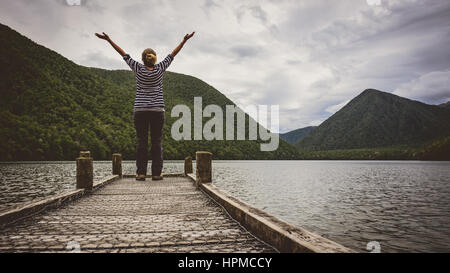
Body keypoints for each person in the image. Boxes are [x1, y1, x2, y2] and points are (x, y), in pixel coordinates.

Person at [95, 31, 195, 181]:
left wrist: (108, 39)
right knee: (156, 142)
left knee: (142, 142)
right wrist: (184, 40)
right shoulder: (160, 68)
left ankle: (141, 173)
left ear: (142, 59)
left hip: (140, 110)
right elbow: (173, 54)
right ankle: (156, 174)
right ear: (155, 59)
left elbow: (123, 53)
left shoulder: (137, 68)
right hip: (157, 111)